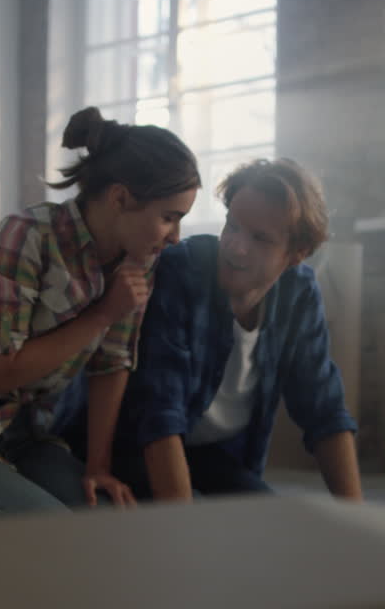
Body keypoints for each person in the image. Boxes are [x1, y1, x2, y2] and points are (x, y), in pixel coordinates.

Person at [0, 107, 199, 520]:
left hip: (24, 432)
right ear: (120, 198)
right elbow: (0, 373)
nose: (175, 237)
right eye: (169, 218)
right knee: (56, 535)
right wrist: (101, 315)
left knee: (111, 524)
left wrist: (98, 468)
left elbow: (111, 365)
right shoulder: (24, 237)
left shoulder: (138, 261)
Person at [55, 158, 362, 502]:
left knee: (273, 523)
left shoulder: (299, 293)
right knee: (209, 531)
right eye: (232, 226)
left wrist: (356, 516)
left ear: (296, 253)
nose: (236, 246)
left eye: (260, 238)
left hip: (212, 454)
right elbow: (159, 413)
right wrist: (188, 531)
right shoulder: (178, 273)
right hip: (132, 446)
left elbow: (324, 409)